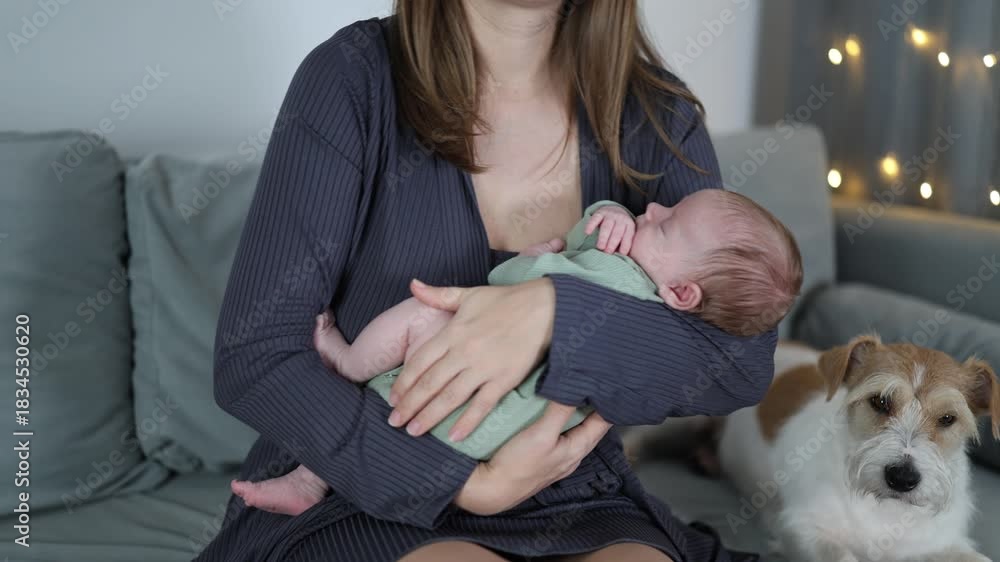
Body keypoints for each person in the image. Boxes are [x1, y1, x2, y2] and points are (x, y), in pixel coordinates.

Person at [198, 1, 781, 560]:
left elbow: (739, 361)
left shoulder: (655, 113)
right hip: (358, 482)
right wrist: (466, 484)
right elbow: (257, 352)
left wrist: (551, 312)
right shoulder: (352, 78)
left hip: (571, 493)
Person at [230, 190, 802, 516]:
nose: (651, 207)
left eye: (667, 222)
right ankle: (312, 480)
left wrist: (550, 294)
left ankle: (348, 364)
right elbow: (581, 247)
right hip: (494, 443)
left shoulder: (626, 276)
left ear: (682, 295)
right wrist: (609, 217)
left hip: (505, 433)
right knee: (390, 413)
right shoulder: (652, 297)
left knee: (420, 323)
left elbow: (743, 365)